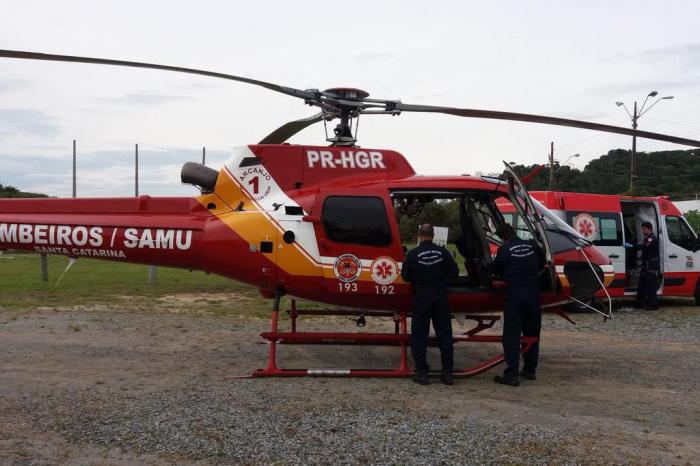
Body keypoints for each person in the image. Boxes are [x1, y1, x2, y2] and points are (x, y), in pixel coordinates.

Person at [401, 223, 459, 385]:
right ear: (433, 236)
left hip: (421, 297)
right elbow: (454, 274)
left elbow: (405, 277)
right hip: (440, 297)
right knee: (445, 335)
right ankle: (447, 373)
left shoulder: (413, 254)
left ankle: (422, 372)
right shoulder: (444, 253)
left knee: (419, 336)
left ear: (419, 235)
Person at [490, 223, 543, 387]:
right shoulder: (533, 246)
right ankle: (530, 370)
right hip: (534, 295)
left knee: (512, 335)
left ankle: (511, 374)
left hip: (515, 296)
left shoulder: (504, 250)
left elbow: (497, 269)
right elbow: (541, 265)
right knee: (532, 333)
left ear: (503, 237)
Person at [624, 221, 660, 310]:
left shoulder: (652, 238)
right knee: (641, 286)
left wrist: (632, 246)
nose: (643, 231)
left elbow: (644, 246)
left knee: (651, 287)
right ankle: (639, 303)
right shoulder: (647, 238)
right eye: (642, 229)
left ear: (650, 229)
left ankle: (653, 305)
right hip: (645, 266)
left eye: (644, 229)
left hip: (651, 266)